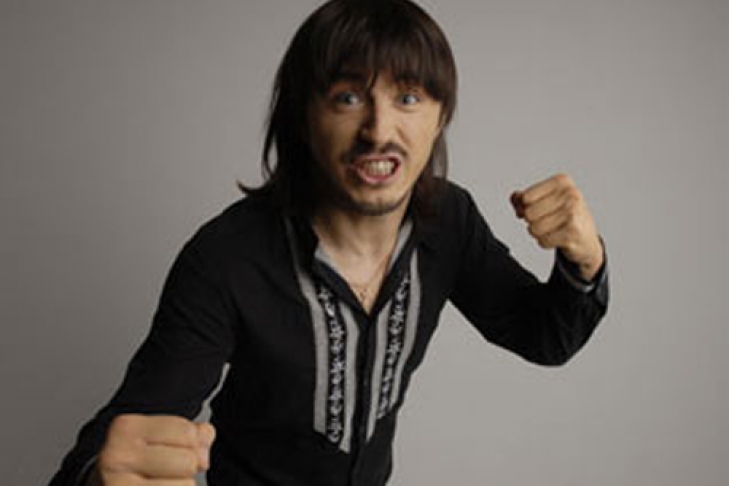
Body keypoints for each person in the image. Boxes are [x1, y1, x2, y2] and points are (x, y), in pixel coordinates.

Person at [49, 0, 609, 485]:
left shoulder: (448, 222)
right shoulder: (226, 258)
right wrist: (100, 475)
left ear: (440, 117)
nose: (378, 131)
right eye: (347, 98)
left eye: (408, 97)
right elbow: (124, 438)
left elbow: (541, 335)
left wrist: (584, 260)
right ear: (303, 118)